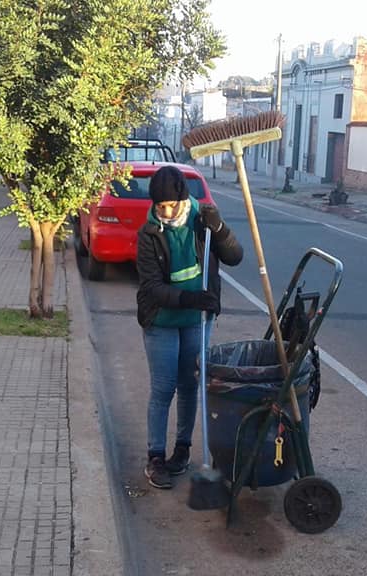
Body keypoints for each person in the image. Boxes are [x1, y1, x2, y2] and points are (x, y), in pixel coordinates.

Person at [136, 165, 243, 489]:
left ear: (184, 199)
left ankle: (182, 451)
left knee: (189, 386)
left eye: (171, 205)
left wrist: (220, 229)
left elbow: (235, 256)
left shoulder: (203, 220)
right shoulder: (149, 233)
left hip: (198, 320)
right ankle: (156, 457)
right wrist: (190, 299)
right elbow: (152, 287)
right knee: (163, 388)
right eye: (160, 206)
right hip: (162, 320)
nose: (166, 212)